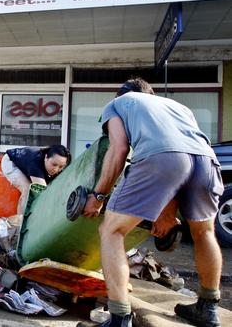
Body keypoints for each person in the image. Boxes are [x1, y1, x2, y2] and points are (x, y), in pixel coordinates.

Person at [81, 78, 223, 327]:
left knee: (112, 230)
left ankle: (119, 318)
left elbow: (119, 150)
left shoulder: (119, 103)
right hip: (206, 161)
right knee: (204, 232)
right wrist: (166, 212)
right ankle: (208, 308)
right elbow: (182, 157)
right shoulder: (178, 107)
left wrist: (98, 196)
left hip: (162, 158)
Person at [1, 144, 71, 215]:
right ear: (46, 157)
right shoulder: (35, 162)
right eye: (54, 164)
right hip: (11, 162)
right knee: (28, 190)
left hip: (28, 163)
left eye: (61, 166)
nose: (56, 169)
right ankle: (20, 222)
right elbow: (43, 193)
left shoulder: (57, 168)